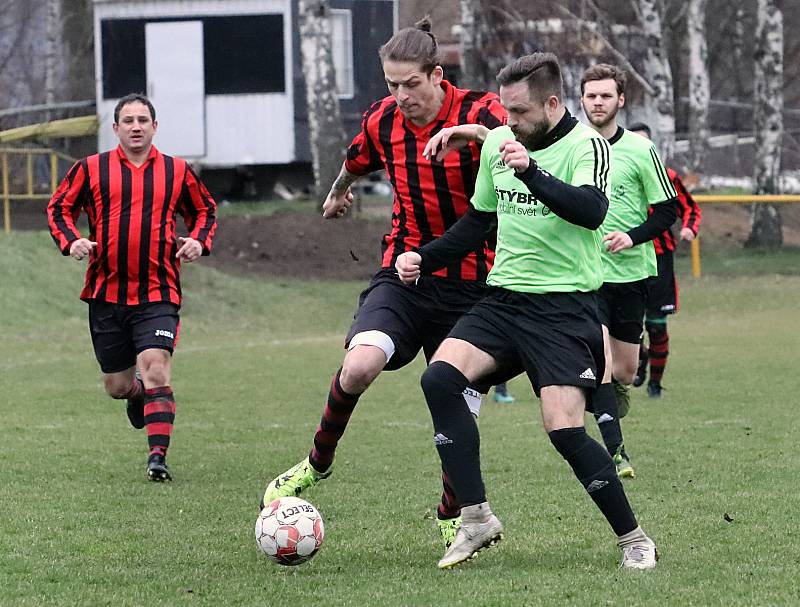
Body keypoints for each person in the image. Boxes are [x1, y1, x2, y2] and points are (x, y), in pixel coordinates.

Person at [397, 52, 657, 570]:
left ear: (553, 104)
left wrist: (531, 170)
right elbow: (478, 223)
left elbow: (591, 210)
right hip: (503, 300)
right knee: (440, 379)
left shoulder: (588, 147)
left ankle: (634, 538)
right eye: (504, 111)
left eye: (519, 112)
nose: (508, 123)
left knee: (563, 430)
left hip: (564, 309)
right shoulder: (498, 141)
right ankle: (475, 518)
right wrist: (423, 258)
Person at [259, 18, 506, 547]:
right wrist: (336, 194)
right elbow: (354, 161)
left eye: (410, 84)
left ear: (437, 75)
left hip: (474, 284)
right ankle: (316, 463)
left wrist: (473, 135)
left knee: (456, 404)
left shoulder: (481, 110)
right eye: (391, 85)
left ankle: (450, 510)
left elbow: (517, 147)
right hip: (404, 273)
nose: (401, 96)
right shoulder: (384, 120)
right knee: (361, 363)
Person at [46, 93, 218, 481]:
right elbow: (58, 208)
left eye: (143, 120)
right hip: (106, 294)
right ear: (116, 129)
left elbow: (205, 210)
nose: (136, 126)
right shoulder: (91, 169)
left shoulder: (176, 171)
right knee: (118, 385)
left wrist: (197, 240)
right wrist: (72, 240)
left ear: (155, 127)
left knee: (156, 367)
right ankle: (137, 394)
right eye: (128, 120)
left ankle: (157, 458)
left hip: (158, 291)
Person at [580, 64, 677, 478]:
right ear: (581, 100)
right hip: (584, 274)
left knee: (622, 369)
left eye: (605, 95)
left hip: (632, 273)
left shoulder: (640, 151)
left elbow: (668, 211)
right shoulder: (571, 147)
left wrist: (632, 237)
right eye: (590, 95)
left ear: (621, 100)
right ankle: (617, 454)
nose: (597, 102)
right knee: (599, 360)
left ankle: (615, 388)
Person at [628, 122, 703, 398]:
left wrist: (689, 228)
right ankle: (639, 359)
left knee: (657, 325)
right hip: (626, 259)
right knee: (627, 327)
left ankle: (655, 385)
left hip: (660, 260)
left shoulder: (667, 176)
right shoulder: (614, 172)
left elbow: (691, 209)